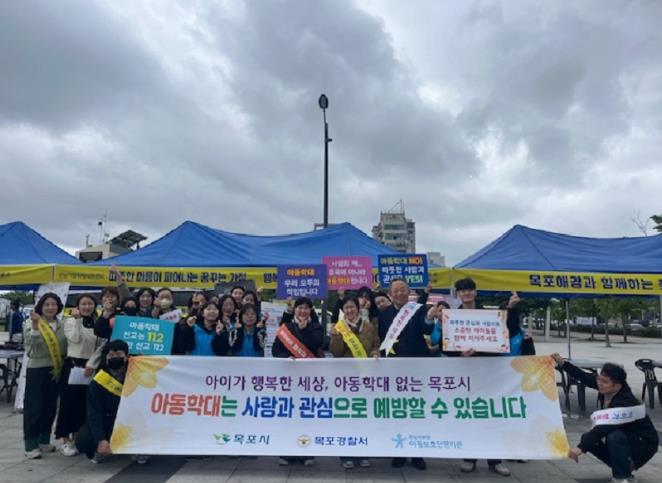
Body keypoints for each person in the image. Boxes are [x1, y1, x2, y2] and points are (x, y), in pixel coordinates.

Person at [552, 355, 659, 482]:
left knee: (613, 435)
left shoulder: (625, 402)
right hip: (627, 438)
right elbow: (583, 376)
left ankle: (623, 476)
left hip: (644, 444)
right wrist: (563, 364)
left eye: (605, 382)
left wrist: (580, 448)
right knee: (589, 438)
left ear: (617, 386)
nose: (600, 384)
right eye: (599, 379)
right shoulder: (608, 386)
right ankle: (624, 466)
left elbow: (603, 428)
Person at [452, 277, 518, 476]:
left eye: (469, 289)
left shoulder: (490, 315)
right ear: (458, 294)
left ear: (475, 292)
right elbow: (446, 347)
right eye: (462, 290)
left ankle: (495, 460)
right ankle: (470, 457)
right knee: (470, 415)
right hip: (467, 373)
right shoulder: (452, 316)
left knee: (491, 414)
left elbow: (510, 332)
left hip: (490, 372)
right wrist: (459, 353)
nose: (466, 293)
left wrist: (512, 309)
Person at [377, 278, 436, 471]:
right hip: (394, 370)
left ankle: (418, 453)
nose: (399, 293)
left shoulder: (417, 309)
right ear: (390, 294)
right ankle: (399, 452)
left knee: (417, 410)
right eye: (395, 290)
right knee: (398, 410)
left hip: (417, 368)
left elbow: (426, 328)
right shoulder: (384, 313)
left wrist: (429, 318)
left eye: (402, 289)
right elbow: (382, 339)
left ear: (408, 291)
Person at [272, 297, 324, 467]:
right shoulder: (286, 327)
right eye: (300, 308)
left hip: (309, 379)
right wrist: (287, 357)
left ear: (310, 310)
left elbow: (316, 344)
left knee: (307, 415)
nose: (303, 311)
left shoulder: (316, 327)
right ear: (295, 310)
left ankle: (307, 452)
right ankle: (287, 452)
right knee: (289, 414)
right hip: (289, 378)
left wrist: (305, 330)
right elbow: (275, 350)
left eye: (306, 308)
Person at [329, 296, 379, 469]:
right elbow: (336, 353)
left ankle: (364, 453)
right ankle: (346, 454)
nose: (349, 310)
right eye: (346, 308)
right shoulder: (339, 327)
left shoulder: (369, 326)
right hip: (346, 377)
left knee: (364, 414)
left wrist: (375, 352)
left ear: (358, 308)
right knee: (346, 415)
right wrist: (335, 337)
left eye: (352, 307)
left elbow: (376, 344)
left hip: (365, 376)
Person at [55, 294, 104, 457]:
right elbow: (75, 339)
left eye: (90, 303)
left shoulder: (98, 322)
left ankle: (77, 437)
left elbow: (101, 346)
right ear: (78, 306)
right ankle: (65, 439)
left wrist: (92, 364)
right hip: (73, 366)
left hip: (90, 367)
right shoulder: (70, 321)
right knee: (67, 404)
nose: (87, 307)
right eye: (83, 304)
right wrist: (77, 320)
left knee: (83, 405)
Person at [23, 293, 68, 459]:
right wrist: (35, 326)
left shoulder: (62, 324)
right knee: (34, 407)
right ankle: (30, 445)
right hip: (37, 368)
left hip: (56, 369)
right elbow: (31, 346)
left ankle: (44, 440)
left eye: (54, 304)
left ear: (58, 306)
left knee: (50, 407)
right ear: (41, 307)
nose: (50, 307)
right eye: (47, 304)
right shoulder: (30, 322)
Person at [75, 340, 129, 464]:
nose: (114, 358)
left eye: (119, 355)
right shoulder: (99, 381)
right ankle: (97, 450)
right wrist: (101, 439)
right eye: (111, 355)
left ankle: (138, 451)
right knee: (83, 439)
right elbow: (94, 413)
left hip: (128, 419)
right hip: (107, 419)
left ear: (126, 357)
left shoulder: (135, 375)